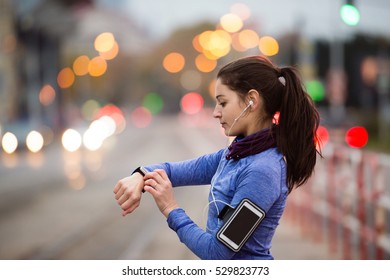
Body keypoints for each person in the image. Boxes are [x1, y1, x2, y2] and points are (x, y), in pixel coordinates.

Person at [113, 55, 321, 260]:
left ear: (251, 101)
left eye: (223, 103)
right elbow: (171, 170)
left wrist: (170, 208)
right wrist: (139, 175)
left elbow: (218, 254)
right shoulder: (232, 156)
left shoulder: (263, 172)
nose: (215, 113)